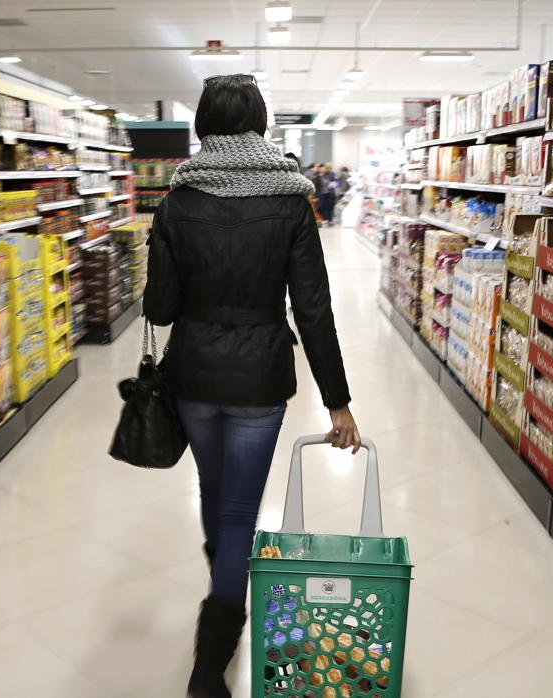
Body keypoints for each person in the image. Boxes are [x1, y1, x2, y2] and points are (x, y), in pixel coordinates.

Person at [144, 73, 361, 698]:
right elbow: (313, 309)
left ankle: (224, 577)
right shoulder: (292, 197)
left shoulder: (177, 199)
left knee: (217, 495)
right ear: (261, 125)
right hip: (261, 376)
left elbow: (159, 309)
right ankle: (208, 666)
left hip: (194, 373)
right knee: (240, 508)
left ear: (202, 126)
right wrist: (338, 400)